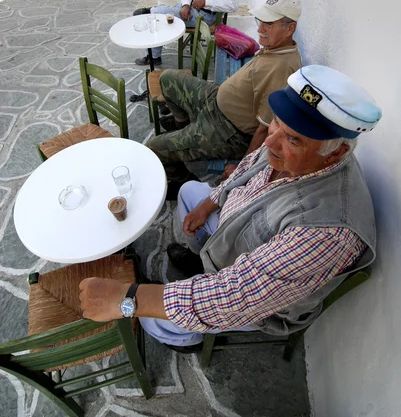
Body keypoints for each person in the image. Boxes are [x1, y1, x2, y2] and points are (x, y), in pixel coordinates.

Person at [79, 65, 382, 350]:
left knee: (152, 318)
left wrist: (129, 297)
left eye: (293, 139)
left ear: (336, 153)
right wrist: (209, 204)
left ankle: (190, 338)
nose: (272, 142)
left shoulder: (326, 232)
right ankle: (202, 261)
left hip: (258, 298)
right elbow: (247, 168)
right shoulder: (292, 148)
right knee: (189, 193)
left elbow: (235, 295)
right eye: (277, 121)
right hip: (238, 228)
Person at [146, 0, 302, 198]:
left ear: (289, 28)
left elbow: (264, 130)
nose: (260, 29)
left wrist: (240, 169)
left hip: (225, 130)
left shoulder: (281, 68)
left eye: (269, 24)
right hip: (215, 99)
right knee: (167, 79)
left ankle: (181, 182)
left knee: (155, 147)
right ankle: (183, 130)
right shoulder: (275, 48)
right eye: (260, 20)